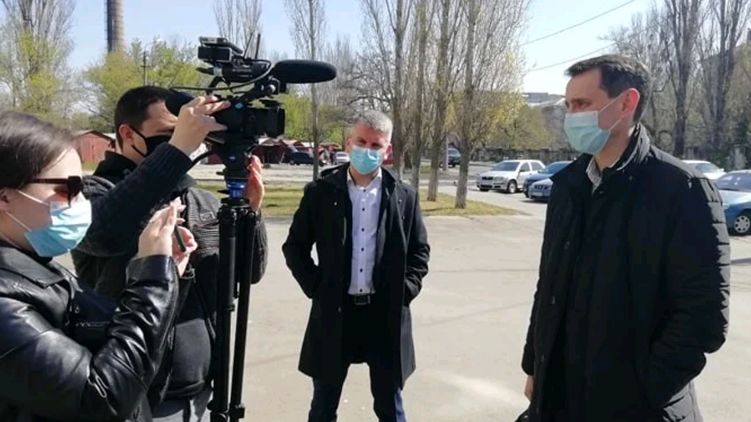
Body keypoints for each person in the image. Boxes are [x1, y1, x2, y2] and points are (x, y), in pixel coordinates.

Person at [521, 55, 730, 421]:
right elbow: (548, 288)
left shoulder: (682, 190)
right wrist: (535, 366)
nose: (572, 116)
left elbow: (704, 316)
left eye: (582, 104)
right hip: (562, 397)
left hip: (639, 408)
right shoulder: (568, 186)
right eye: (568, 105)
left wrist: (644, 390)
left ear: (626, 103)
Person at [71, 86, 268, 421]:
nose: (184, 140)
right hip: (136, 396)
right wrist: (177, 150)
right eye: (168, 134)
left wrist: (252, 210)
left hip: (206, 392)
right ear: (127, 134)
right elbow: (105, 234)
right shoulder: (95, 195)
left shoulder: (199, 200)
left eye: (187, 132)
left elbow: (248, 272)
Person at [0, 110, 197, 421]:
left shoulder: (38, 269)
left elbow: (131, 374)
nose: (82, 203)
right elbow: (101, 398)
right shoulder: (6, 298)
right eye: (68, 189)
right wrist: (152, 281)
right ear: (5, 197)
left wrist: (166, 272)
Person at [283, 110, 430, 422]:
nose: (368, 150)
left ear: (388, 150)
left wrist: (406, 290)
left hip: (383, 316)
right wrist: (316, 287)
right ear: (348, 144)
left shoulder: (403, 196)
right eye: (361, 142)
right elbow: (294, 247)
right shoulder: (321, 192)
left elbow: (419, 252)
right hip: (336, 313)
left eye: (376, 145)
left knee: (391, 407)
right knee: (323, 407)